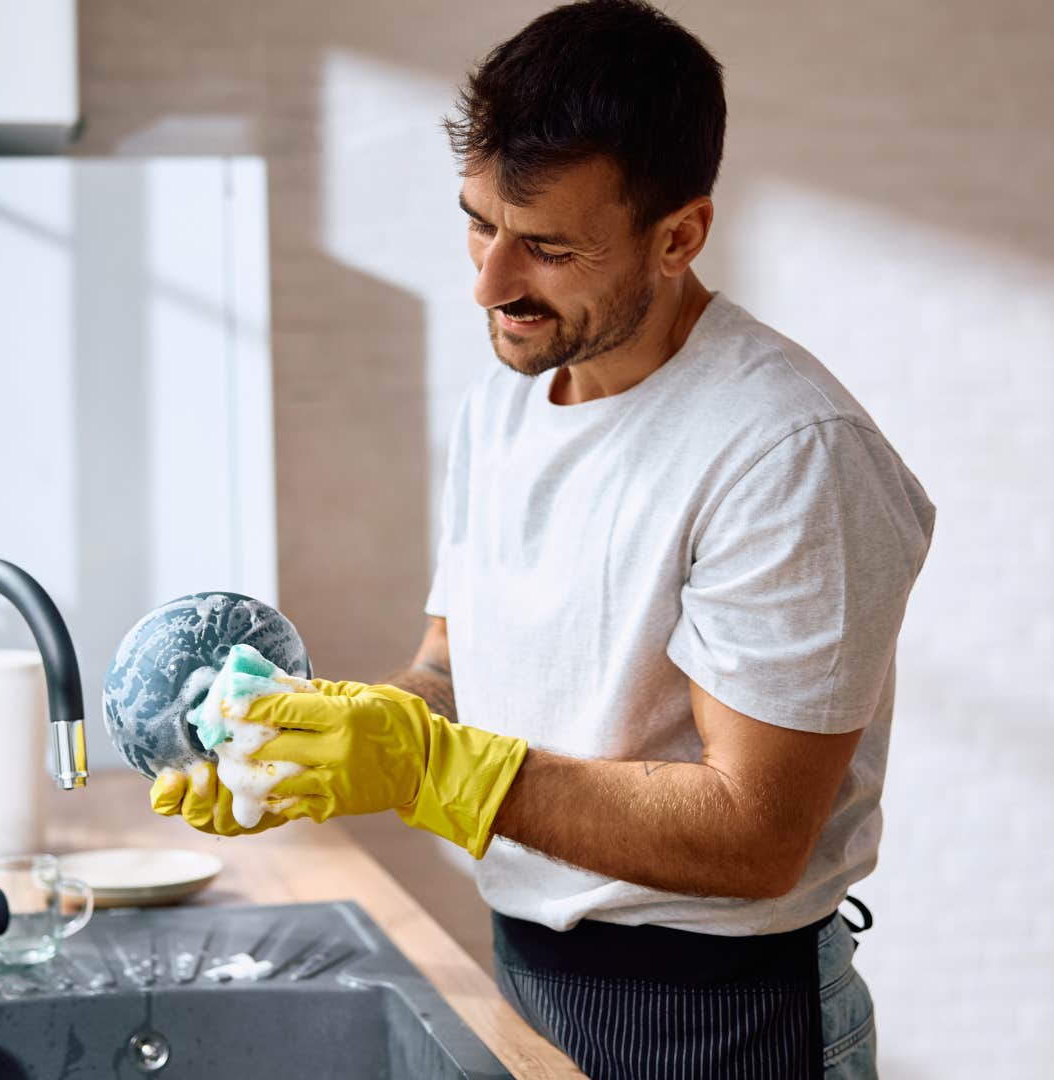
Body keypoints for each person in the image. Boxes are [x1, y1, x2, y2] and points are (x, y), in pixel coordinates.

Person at [150, 2, 935, 1076]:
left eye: (548, 247)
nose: (489, 283)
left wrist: (436, 773)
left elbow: (755, 833)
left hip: (727, 1023)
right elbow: (447, 669)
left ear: (680, 235)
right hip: (529, 980)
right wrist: (313, 738)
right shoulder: (510, 399)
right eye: (477, 222)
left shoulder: (787, 449)